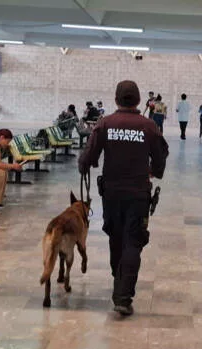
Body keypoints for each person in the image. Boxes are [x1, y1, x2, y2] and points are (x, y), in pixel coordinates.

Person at [78, 80, 169, 316]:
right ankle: (123, 296)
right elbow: (160, 157)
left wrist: (84, 166)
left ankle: (118, 281)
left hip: (111, 194)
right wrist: (153, 171)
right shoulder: (148, 126)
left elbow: (87, 157)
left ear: (117, 99)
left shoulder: (105, 123)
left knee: (116, 238)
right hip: (138, 194)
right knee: (133, 241)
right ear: (139, 100)